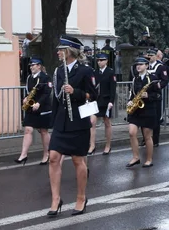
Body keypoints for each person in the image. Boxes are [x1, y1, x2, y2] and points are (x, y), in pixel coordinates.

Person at [48, 36, 97, 216]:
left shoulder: (85, 71)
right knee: (53, 157)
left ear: (70, 51)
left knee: (78, 160)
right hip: (62, 121)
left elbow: (93, 95)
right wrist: (52, 121)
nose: (59, 52)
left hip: (77, 120)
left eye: (62, 49)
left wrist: (75, 92)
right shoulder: (58, 71)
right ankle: (55, 199)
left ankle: (81, 197)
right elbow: (55, 98)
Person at [126, 56, 161, 167]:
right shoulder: (135, 79)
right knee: (132, 132)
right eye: (137, 65)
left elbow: (158, 95)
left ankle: (149, 159)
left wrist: (148, 95)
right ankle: (136, 157)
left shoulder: (153, 78)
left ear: (146, 65)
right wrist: (130, 101)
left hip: (148, 110)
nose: (138, 66)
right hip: (136, 110)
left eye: (141, 64)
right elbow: (132, 93)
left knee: (147, 136)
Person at [18, 57, 53, 165]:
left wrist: (39, 103)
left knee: (43, 131)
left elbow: (47, 92)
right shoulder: (29, 78)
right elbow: (29, 91)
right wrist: (25, 98)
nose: (31, 67)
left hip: (43, 108)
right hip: (31, 107)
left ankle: (47, 154)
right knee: (28, 129)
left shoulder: (46, 77)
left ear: (39, 66)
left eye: (33, 65)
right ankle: (23, 155)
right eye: (30, 65)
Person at [91, 52, 116, 155]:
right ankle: (92, 145)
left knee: (107, 123)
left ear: (106, 61)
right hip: (96, 101)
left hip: (106, 101)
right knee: (92, 122)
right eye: (98, 60)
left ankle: (108, 145)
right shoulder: (95, 72)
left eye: (101, 60)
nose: (99, 62)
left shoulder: (110, 72)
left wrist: (111, 101)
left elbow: (113, 89)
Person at [145, 48, 169, 146]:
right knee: (146, 118)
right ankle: (146, 139)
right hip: (146, 96)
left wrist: (158, 86)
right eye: (148, 55)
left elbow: (165, 80)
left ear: (155, 56)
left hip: (155, 95)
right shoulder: (146, 66)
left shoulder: (160, 67)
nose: (149, 57)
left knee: (156, 117)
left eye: (151, 55)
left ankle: (155, 140)